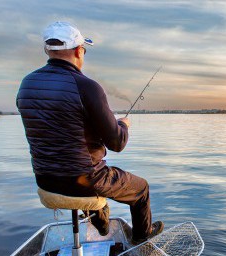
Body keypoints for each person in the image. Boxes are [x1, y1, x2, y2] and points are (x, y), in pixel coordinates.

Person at [16, 21, 163, 244]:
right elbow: (117, 143)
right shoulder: (86, 86)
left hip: (45, 180)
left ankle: (100, 218)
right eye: (84, 50)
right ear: (78, 50)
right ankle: (141, 238)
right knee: (141, 188)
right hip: (84, 181)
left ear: (48, 50)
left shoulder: (27, 84)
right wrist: (123, 125)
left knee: (92, 175)